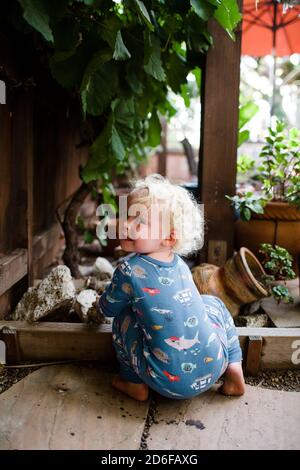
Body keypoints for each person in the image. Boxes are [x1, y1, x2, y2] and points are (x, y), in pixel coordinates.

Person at [96, 174, 245, 401]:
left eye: (139, 222)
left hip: (167, 382)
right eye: (127, 216)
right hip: (214, 365)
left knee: (122, 319)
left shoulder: (128, 270)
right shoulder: (179, 264)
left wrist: (103, 301)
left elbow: (107, 310)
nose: (126, 225)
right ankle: (234, 366)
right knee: (213, 303)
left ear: (168, 238)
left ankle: (133, 382)